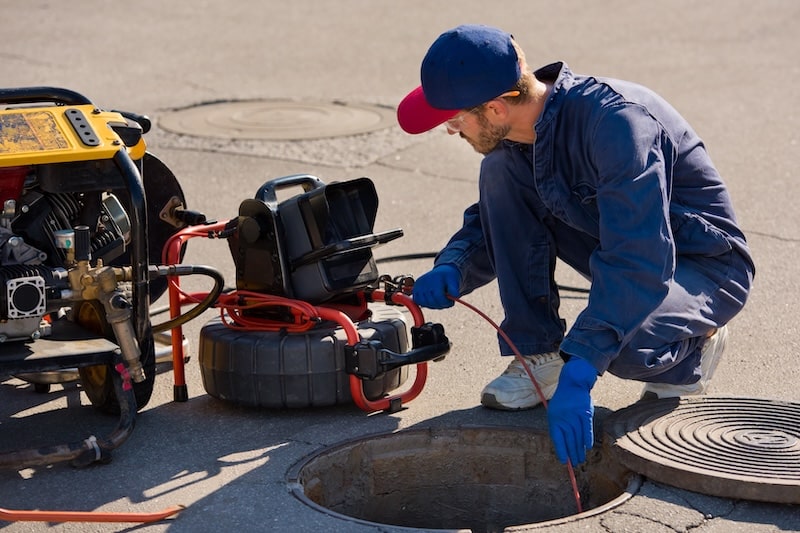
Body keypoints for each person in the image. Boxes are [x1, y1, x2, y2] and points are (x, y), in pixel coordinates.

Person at [397, 24, 755, 466]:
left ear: (494, 108)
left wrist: (582, 369)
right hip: (620, 241)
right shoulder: (524, 129)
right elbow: (503, 215)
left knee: (619, 347)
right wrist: (455, 265)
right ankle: (538, 356)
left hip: (704, 265)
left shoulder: (618, 126)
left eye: (454, 119)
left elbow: (638, 258)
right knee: (501, 171)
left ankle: (693, 348)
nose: (450, 130)